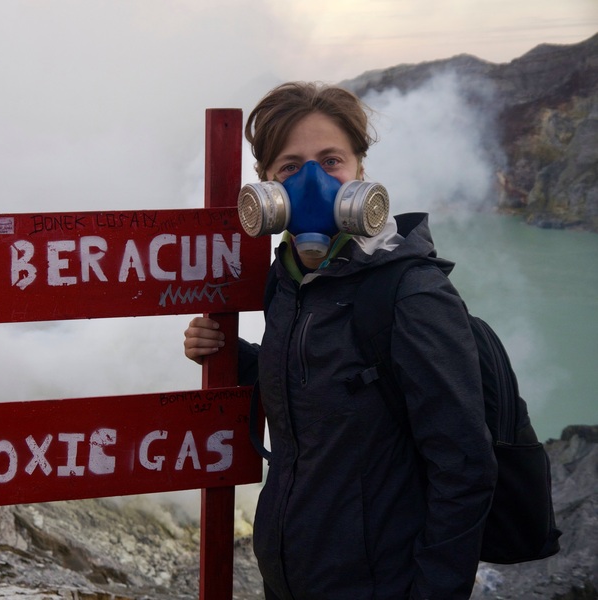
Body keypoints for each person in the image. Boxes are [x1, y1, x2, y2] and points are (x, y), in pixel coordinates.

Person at [183, 82, 497, 600]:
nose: (312, 182)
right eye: (289, 167)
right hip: (289, 578)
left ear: (361, 172)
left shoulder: (412, 294)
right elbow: (315, 383)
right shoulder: (286, 280)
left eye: (331, 161)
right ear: (265, 185)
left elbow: (465, 469)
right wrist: (230, 356)